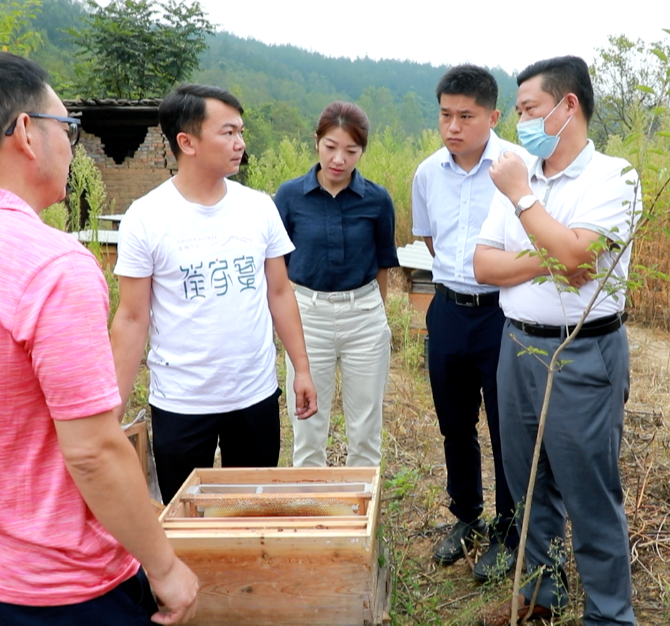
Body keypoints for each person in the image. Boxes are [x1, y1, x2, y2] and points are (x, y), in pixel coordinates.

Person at [0, 51, 198, 626]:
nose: (71, 146)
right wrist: (165, 568)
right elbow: (93, 451)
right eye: (66, 127)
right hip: (61, 591)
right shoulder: (51, 264)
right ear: (26, 133)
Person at [474, 56, 639, 626]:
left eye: (529, 110)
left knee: (590, 494)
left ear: (569, 107)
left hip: (583, 352)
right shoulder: (521, 173)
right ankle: (539, 597)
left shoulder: (614, 177)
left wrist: (525, 202)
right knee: (526, 485)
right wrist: (549, 249)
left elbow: (578, 260)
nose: (521, 123)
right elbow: (483, 265)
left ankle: (609, 616)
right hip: (516, 346)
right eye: (518, 112)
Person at [110, 83, 318, 504]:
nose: (240, 143)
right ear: (186, 141)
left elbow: (279, 292)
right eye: (227, 133)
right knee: (186, 512)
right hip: (182, 399)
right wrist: (113, 406)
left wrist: (301, 368)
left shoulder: (258, 207)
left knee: (254, 506)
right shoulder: (146, 218)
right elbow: (132, 318)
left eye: (240, 131)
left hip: (253, 392)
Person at [411, 65, 528, 581]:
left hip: (501, 314)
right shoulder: (427, 173)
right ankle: (466, 516)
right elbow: (433, 242)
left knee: (506, 427)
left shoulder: (515, 166)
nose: (453, 126)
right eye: (445, 115)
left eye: (466, 116)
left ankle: (509, 527)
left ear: (493, 116)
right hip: (448, 310)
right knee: (454, 423)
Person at [273, 101, 399, 467]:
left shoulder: (377, 200)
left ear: (362, 151)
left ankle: (362, 518)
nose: (339, 159)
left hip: (364, 315)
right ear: (316, 142)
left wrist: (374, 312)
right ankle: (312, 515)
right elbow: (277, 267)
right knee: (308, 426)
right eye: (331, 147)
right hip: (307, 316)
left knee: (365, 429)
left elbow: (383, 266)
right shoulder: (290, 197)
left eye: (350, 151)